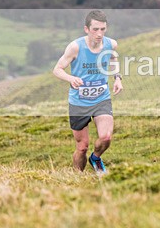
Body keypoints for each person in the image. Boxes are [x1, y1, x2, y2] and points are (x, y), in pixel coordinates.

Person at [52, 10, 122, 174]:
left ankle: (96, 157)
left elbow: (113, 59)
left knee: (106, 137)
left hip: (101, 99)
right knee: (82, 147)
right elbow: (57, 69)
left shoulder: (111, 44)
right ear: (86, 29)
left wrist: (117, 78)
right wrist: (70, 78)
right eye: (95, 29)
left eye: (103, 29)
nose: (99, 34)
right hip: (79, 102)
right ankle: (77, 177)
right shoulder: (75, 47)